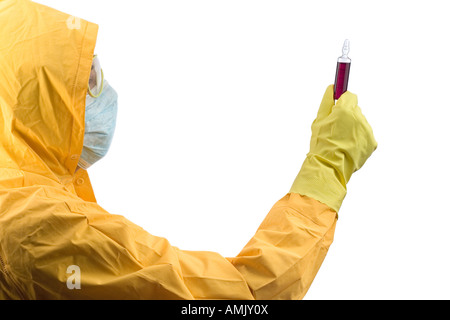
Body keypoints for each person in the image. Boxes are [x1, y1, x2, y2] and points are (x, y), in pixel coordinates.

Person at [0, 0, 377, 300]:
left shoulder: (22, 199)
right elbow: (244, 295)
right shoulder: (38, 225)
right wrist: (327, 166)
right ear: (37, 100)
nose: (103, 93)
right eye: (89, 80)